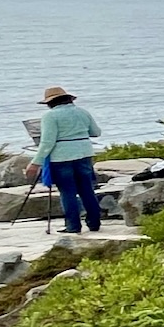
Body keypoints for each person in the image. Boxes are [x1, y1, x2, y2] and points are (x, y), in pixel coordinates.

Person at [29, 85, 103, 234]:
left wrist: (35, 162)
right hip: (84, 154)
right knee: (87, 190)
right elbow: (96, 132)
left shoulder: (50, 116)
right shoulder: (82, 112)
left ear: (50, 103)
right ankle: (94, 223)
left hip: (61, 157)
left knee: (67, 192)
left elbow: (47, 142)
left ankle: (73, 226)